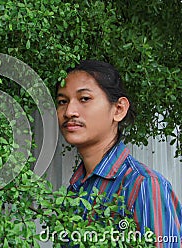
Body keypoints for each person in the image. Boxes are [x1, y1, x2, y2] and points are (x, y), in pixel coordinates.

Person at [55, 60, 182, 247]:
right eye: (62, 101)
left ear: (119, 109)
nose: (69, 111)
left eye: (84, 99)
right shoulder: (76, 188)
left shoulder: (143, 185)